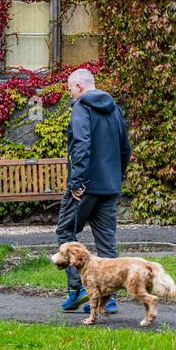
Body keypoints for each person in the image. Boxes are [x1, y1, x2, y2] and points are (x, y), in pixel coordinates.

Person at [57, 68, 131, 315]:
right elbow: (125, 148)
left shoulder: (82, 108)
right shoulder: (115, 110)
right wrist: (115, 177)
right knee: (107, 243)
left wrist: (76, 182)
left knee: (66, 233)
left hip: (85, 187)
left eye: (70, 88)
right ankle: (108, 299)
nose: (70, 93)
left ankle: (77, 289)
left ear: (79, 87)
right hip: (109, 187)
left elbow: (82, 144)